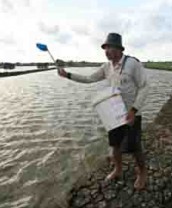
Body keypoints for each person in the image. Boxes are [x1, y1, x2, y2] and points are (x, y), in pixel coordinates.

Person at [58, 33, 149, 190]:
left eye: (109, 47)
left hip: (132, 114)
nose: (106, 51)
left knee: (135, 147)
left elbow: (144, 87)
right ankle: (118, 169)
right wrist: (68, 75)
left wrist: (134, 110)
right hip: (114, 113)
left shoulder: (133, 64)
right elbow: (89, 79)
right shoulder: (106, 67)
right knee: (114, 145)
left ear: (119, 49)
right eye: (105, 48)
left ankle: (142, 173)